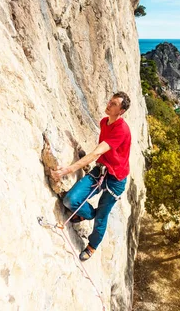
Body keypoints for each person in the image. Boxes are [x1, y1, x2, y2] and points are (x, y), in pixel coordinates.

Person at [51, 92, 132, 261]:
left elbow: (96, 153)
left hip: (116, 180)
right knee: (70, 200)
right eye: (110, 100)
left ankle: (92, 246)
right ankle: (87, 213)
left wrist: (67, 170)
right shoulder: (105, 122)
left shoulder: (121, 130)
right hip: (102, 170)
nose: (109, 104)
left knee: (102, 216)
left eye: (114, 103)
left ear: (121, 111)